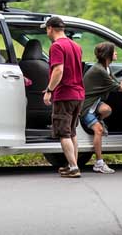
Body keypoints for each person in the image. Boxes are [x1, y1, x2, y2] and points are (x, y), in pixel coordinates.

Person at [80, 41, 122, 174]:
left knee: (107, 109)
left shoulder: (105, 68)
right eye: (114, 51)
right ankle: (99, 163)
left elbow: (116, 83)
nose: (116, 53)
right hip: (86, 107)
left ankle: (98, 120)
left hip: (95, 103)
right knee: (98, 130)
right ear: (107, 55)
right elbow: (117, 88)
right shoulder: (99, 70)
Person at [42, 16, 85, 178]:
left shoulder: (57, 47)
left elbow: (58, 70)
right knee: (72, 132)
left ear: (50, 28)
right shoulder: (76, 46)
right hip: (78, 94)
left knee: (63, 133)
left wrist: (49, 90)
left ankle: (74, 167)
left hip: (64, 94)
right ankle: (72, 164)